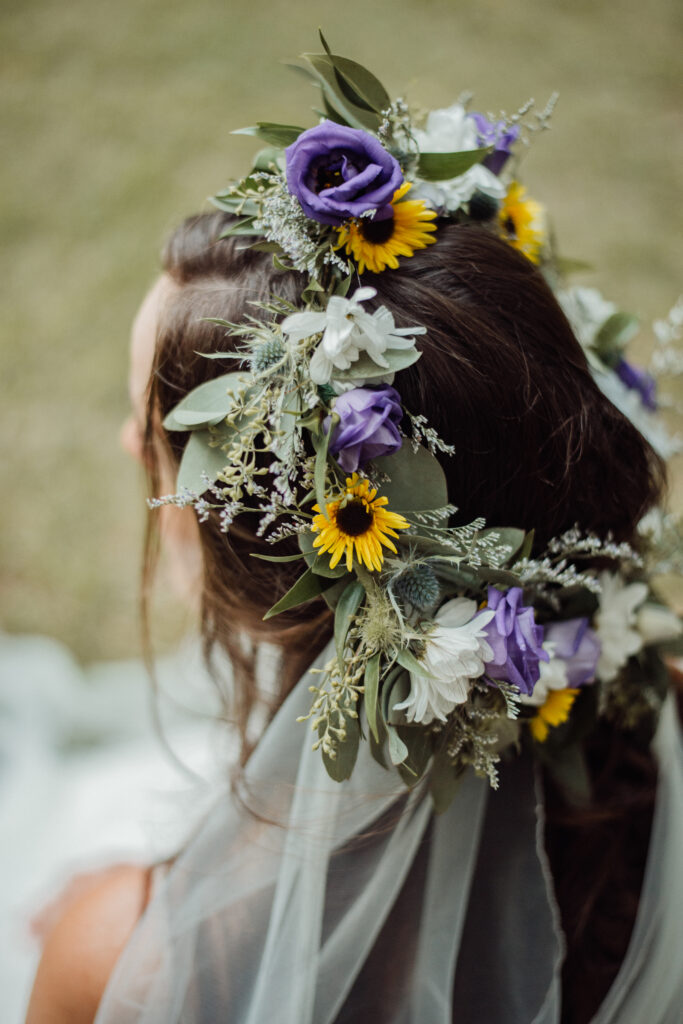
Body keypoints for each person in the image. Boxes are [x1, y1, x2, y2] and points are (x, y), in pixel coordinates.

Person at [26, 41, 683, 1024]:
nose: (130, 443)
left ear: (253, 553)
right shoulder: (659, 727)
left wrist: (96, 928)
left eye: (155, 437)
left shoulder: (135, 961)